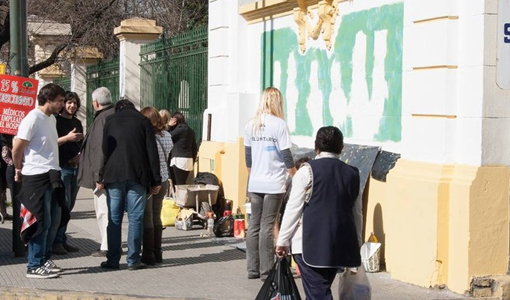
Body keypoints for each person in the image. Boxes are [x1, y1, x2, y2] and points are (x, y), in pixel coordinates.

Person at [275, 126, 362, 299]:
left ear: (316, 147)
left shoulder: (306, 171)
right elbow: (356, 213)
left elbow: (293, 208)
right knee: (318, 291)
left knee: (318, 294)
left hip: (309, 245)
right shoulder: (353, 174)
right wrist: (357, 243)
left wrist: (282, 240)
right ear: (341, 148)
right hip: (339, 246)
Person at [12, 83, 66, 279]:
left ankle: (44, 258)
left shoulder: (50, 119)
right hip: (36, 176)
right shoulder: (32, 118)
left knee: (53, 220)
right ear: (48, 100)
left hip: (52, 174)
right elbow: (17, 148)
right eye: (60, 101)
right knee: (39, 222)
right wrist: (18, 168)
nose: (62, 104)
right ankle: (33, 265)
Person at [100, 99, 161, 270]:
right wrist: (156, 179)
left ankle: (112, 260)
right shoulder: (143, 121)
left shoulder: (110, 120)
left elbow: (105, 149)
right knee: (135, 219)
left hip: (113, 176)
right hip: (138, 176)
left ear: (118, 109)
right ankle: (133, 260)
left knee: (114, 219)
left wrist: (101, 175)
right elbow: (152, 151)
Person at [244, 87, 296, 281]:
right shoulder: (279, 125)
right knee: (268, 225)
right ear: (277, 102)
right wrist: (295, 175)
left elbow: (248, 158)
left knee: (254, 225)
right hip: (274, 182)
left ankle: (252, 269)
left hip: (255, 181)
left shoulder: (251, 124)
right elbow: (286, 155)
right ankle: (267, 271)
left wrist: (253, 175)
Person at [77, 87, 115, 257]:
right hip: (110, 173)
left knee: (103, 211)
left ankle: (107, 245)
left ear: (96, 102)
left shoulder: (102, 119)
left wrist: (98, 176)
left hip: (102, 176)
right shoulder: (111, 114)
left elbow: (98, 151)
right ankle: (109, 243)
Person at [140, 106, 173, 265]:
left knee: (147, 217)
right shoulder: (167, 135)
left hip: (151, 179)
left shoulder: (147, 137)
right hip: (164, 178)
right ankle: (157, 251)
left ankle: (148, 254)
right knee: (156, 215)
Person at [53, 91, 84, 255]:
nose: (72, 106)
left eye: (75, 103)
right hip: (62, 167)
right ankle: (56, 241)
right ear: (63, 104)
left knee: (69, 205)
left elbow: (81, 143)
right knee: (62, 206)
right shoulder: (55, 121)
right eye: (69, 102)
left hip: (75, 168)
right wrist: (67, 138)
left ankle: (62, 239)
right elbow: (51, 143)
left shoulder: (78, 122)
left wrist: (81, 155)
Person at [168, 112, 197, 185]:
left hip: (178, 160)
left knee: (177, 184)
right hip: (188, 160)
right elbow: (194, 148)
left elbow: (167, 137)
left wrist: (169, 126)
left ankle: (180, 196)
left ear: (175, 121)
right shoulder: (190, 130)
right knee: (182, 183)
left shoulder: (180, 129)